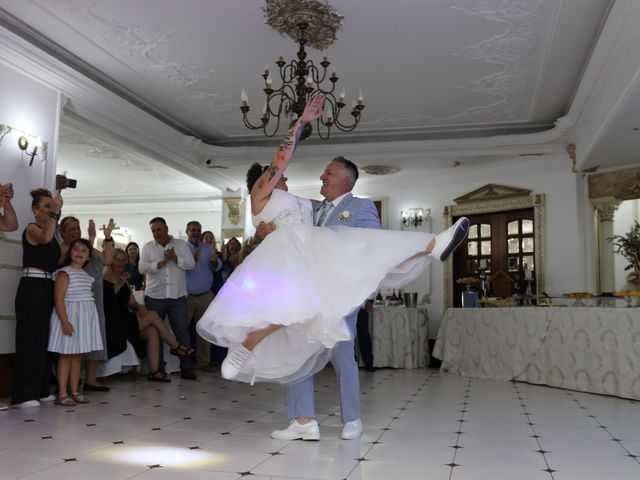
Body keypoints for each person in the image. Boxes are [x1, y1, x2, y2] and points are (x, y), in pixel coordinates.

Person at [196, 94, 468, 390]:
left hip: (310, 255)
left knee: (361, 247)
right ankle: (247, 347)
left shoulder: (301, 200)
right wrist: (301, 122)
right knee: (293, 309)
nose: (283, 177)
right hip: (284, 258)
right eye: (278, 176)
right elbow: (280, 159)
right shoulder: (261, 193)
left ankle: (431, 246)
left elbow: (332, 203)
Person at [104, 249, 195, 382]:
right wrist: (118, 284)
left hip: (124, 319)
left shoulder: (124, 277)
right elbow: (107, 301)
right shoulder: (107, 275)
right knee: (152, 315)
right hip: (113, 322)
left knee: (152, 331)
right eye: (117, 259)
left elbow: (132, 303)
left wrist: (139, 307)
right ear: (111, 260)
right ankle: (176, 347)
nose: (121, 263)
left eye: (123, 260)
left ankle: (154, 372)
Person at [12, 188, 62, 408]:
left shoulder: (53, 235)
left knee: (46, 339)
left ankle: (41, 389)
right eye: (47, 207)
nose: (51, 210)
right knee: (30, 340)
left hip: (47, 286)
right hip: (32, 287)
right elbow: (45, 237)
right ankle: (24, 394)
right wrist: (54, 216)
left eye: (53, 206)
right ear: (35, 210)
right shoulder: (31, 229)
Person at [59, 216, 115, 392]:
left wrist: (106, 237)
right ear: (63, 232)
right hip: (74, 301)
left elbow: (107, 260)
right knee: (71, 345)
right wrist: (89, 241)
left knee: (93, 338)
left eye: (77, 228)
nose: (76, 231)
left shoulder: (86, 248)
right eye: (71, 229)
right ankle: (65, 385)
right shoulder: (66, 250)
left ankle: (90, 380)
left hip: (94, 299)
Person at [139, 217, 197, 380]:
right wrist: (161, 262)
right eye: (154, 230)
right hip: (155, 297)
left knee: (182, 332)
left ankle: (186, 367)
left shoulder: (181, 244)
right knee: (156, 334)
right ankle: (158, 369)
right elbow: (142, 268)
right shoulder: (148, 247)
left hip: (177, 296)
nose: (156, 233)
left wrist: (175, 259)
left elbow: (191, 264)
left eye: (159, 229)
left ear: (166, 228)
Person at [48, 238, 103, 406]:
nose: (79, 253)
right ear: (70, 253)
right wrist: (65, 321)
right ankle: (62, 393)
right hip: (69, 317)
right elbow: (58, 299)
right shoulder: (65, 273)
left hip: (83, 320)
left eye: (84, 250)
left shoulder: (88, 275)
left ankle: (75, 391)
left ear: (88, 257)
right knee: (65, 356)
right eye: (76, 249)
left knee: (77, 356)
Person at [184, 221, 216, 369]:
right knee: (182, 330)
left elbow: (216, 266)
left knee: (205, 329)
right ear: (187, 231)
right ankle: (183, 362)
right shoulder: (182, 248)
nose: (196, 233)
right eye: (193, 230)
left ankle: (203, 361)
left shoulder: (208, 248)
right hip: (186, 296)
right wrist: (192, 260)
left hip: (205, 295)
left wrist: (214, 263)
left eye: (198, 230)